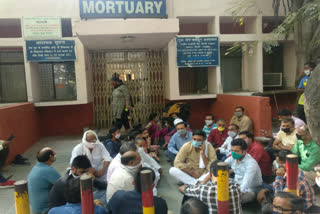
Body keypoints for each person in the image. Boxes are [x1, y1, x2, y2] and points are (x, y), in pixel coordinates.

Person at [225, 139, 263, 204]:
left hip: (250, 189)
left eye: (236, 151)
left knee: (233, 200)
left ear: (244, 151)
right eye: (232, 151)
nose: (233, 153)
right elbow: (220, 166)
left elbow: (245, 185)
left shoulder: (251, 164)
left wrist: (235, 196)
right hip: (236, 185)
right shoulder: (232, 158)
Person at [28, 147, 61, 214]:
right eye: (54, 154)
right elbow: (64, 185)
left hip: (36, 208)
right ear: (50, 156)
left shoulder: (36, 167)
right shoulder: (48, 170)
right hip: (45, 209)